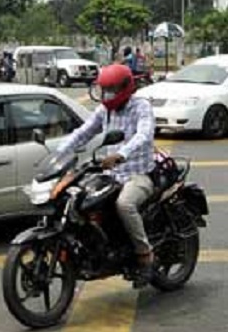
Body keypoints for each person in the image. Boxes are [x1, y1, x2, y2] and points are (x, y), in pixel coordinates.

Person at [53, 64, 157, 286]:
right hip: (111, 174)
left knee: (125, 205)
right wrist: (59, 153)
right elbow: (84, 132)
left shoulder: (141, 107)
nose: (107, 94)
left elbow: (144, 135)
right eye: (105, 89)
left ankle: (144, 255)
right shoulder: (105, 110)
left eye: (112, 89)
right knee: (81, 200)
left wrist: (121, 154)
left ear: (126, 87)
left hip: (138, 173)